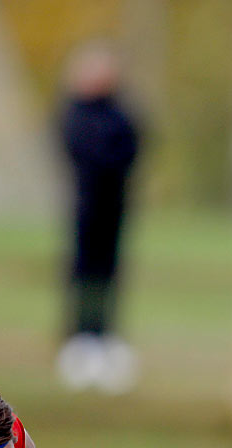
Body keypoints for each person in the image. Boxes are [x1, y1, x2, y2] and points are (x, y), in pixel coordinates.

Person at [57, 40, 139, 393]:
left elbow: (133, 145)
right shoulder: (73, 113)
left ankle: (106, 337)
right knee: (81, 272)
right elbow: (81, 152)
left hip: (115, 206)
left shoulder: (119, 112)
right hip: (84, 206)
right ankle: (78, 338)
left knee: (111, 272)